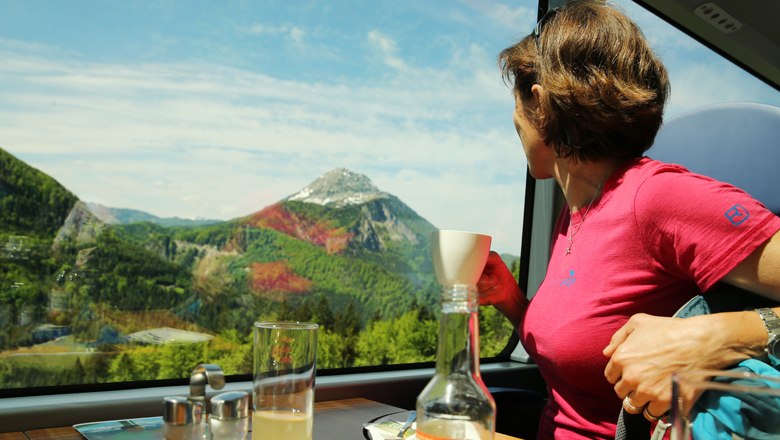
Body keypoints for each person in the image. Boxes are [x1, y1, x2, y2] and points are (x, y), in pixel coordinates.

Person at [477, 1, 780, 438]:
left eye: (517, 104)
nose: (513, 121)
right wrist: (510, 300)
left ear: (540, 104)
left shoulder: (658, 197)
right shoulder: (574, 214)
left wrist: (722, 334)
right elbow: (575, 354)